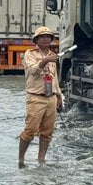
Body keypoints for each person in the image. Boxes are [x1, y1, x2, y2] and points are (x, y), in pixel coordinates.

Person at [18, 26, 63, 168]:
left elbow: (54, 78)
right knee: (30, 130)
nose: (46, 39)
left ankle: (41, 159)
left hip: (51, 97)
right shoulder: (29, 54)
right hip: (35, 97)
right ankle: (21, 159)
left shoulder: (52, 55)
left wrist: (59, 96)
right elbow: (33, 71)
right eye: (43, 37)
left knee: (47, 132)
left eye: (49, 37)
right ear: (36, 40)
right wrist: (45, 61)